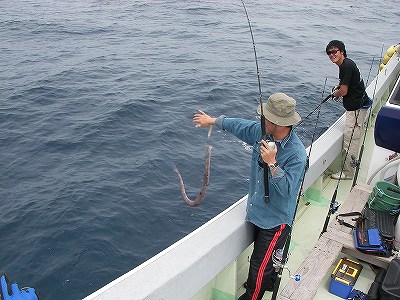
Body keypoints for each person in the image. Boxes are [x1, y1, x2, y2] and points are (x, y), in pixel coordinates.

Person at [193, 92, 307, 300]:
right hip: (256, 211)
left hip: (275, 221)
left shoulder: (296, 154)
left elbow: (287, 190)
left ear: (278, 123)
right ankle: (269, 280)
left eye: (266, 117)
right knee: (264, 262)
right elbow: (239, 126)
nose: (261, 119)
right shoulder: (262, 133)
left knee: (258, 269)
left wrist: (272, 164)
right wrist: (214, 121)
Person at [326, 40, 371, 180]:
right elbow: (346, 84)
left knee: (350, 141)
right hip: (358, 106)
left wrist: (335, 94)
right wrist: (339, 89)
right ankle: (350, 169)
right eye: (329, 53)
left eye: (335, 51)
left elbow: (344, 91)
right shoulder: (347, 64)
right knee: (353, 139)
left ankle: (348, 173)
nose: (332, 55)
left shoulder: (345, 66)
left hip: (356, 110)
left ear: (342, 51)